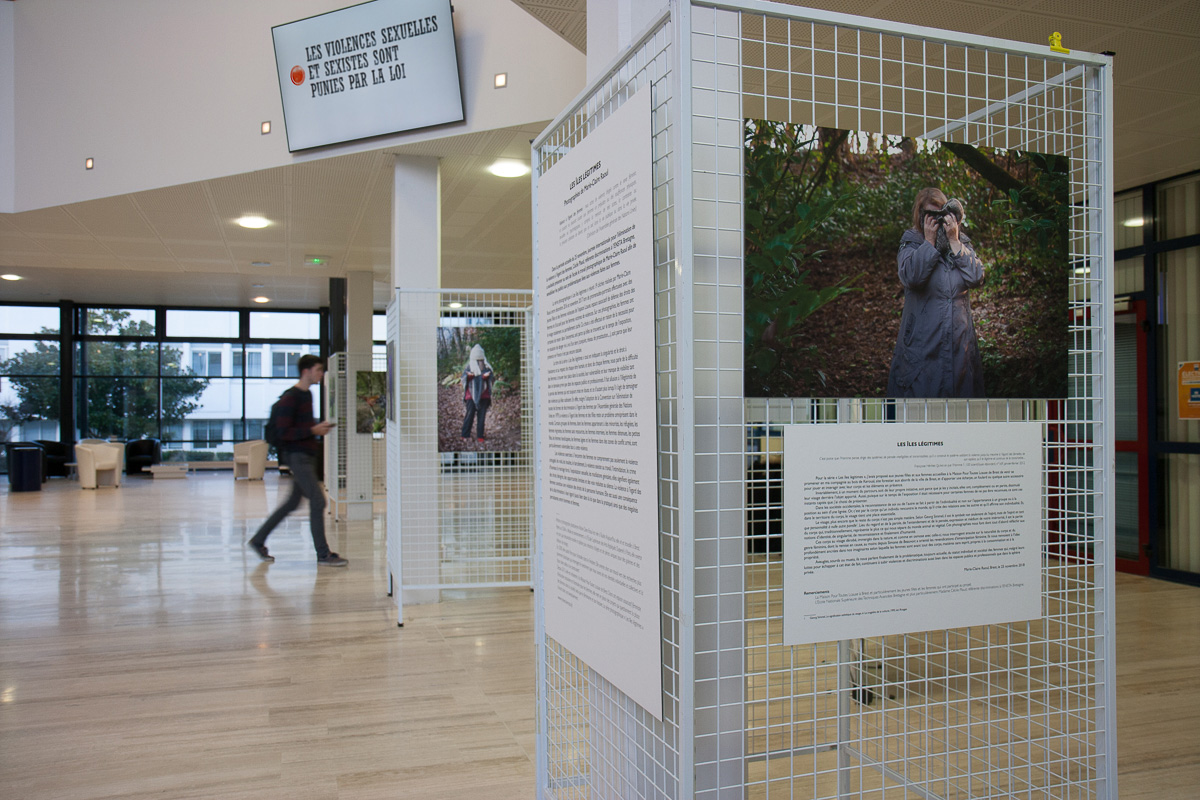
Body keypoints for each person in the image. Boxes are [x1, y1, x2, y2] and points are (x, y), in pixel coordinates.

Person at [248, 354, 347, 566]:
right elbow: (284, 432)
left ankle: (258, 540)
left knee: (291, 503)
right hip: (297, 457)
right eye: (319, 370)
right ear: (306, 371)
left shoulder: (307, 395)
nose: (321, 374)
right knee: (319, 501)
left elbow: (299, 429)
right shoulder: (290, 398)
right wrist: (313, 429)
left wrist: (316, 430)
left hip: (306, 456)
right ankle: (323, 554)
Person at [886, 188, 986, 399]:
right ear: (919, 215)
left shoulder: (959, 242)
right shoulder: (911, 243)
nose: (935, 220)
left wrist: (955, 241)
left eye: (939, 213)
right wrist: (929, 243)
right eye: (929, 214)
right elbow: (911, 277)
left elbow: (976, 277)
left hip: (959, 346)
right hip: (923, 347)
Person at [461, 343, 493, 442]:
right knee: (469, 415)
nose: (479, 362)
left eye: (480, 359)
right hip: (471, 395)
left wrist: (487, 377)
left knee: (481, 416)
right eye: (477, 359)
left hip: (484, 395)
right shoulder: (469, 366)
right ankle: (465, 434)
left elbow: (492, 378)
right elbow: (463, 378)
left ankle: (480, 436)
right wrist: (469, 377)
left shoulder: (487, 366)